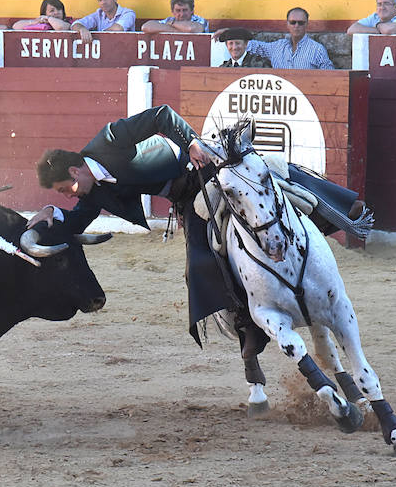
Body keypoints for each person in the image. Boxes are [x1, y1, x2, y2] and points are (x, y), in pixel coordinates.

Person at [28, 105, 368, 359]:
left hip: (201, 165)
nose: (69, 193)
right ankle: (247, 324)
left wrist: (191, 141)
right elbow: (76, 223)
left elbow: (161, 115)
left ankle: (340, 205)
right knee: (200, 264)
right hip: (189, 197)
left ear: (75, 169)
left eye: (65, 188)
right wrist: (52, 214)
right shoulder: (91, 191)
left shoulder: (109, 141)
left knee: (264, 176)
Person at [216, 8, 334, 69]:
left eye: (301, 23)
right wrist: (229, 32)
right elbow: (250, 44)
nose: (296, 26)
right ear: (287, 24)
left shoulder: (317, 49)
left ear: (307, 24)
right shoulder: (277, 46)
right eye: (293, 22)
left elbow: (330, 77)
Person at [70, 0, 136, 44]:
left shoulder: (128, 13)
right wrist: (82, 29)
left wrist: (97, 35)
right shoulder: (98, 14)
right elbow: (75, 24)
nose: (103, 2)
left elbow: (118, 29)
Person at [141, 0, 209, 34]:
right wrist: (176, 31)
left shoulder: (200, 20)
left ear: (192, 10)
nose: (182, 14)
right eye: (178, 10)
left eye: (185, 10)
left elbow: (191, 29)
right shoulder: (169, 20)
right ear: (172, 12)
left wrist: (171, 24)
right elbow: (146, 27)